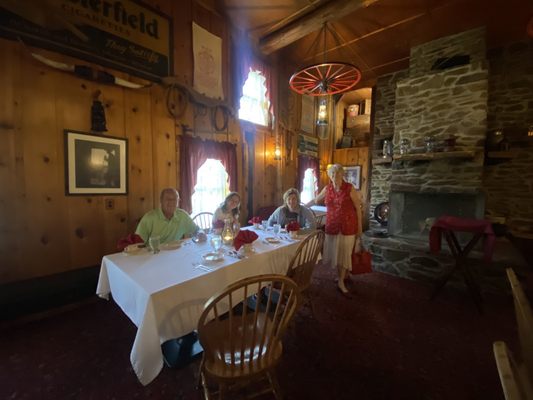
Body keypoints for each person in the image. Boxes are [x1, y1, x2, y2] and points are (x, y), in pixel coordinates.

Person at [306, 164, 363, 296]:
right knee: (337, 253)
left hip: (348, 226)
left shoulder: (349, 188)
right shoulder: (327, 189)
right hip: (332, 225)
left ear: (342, 175)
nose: (334, 176)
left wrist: (359, 227)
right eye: (332, 174)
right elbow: (315, 200)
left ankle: (341, 281)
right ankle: (343, 276)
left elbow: (358, 208)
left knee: (344, 253)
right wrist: (301, 205)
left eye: (337, 174)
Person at [136, 188, 202, 244]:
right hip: (154, 255)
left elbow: (197, 230)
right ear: (161, 201)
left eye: (174, 199)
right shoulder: (149, 218)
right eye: (168, 199)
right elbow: (137, 243)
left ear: (178, 202)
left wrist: (200, 234)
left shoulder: (182, 216)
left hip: (175, 254)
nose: (171, 202)